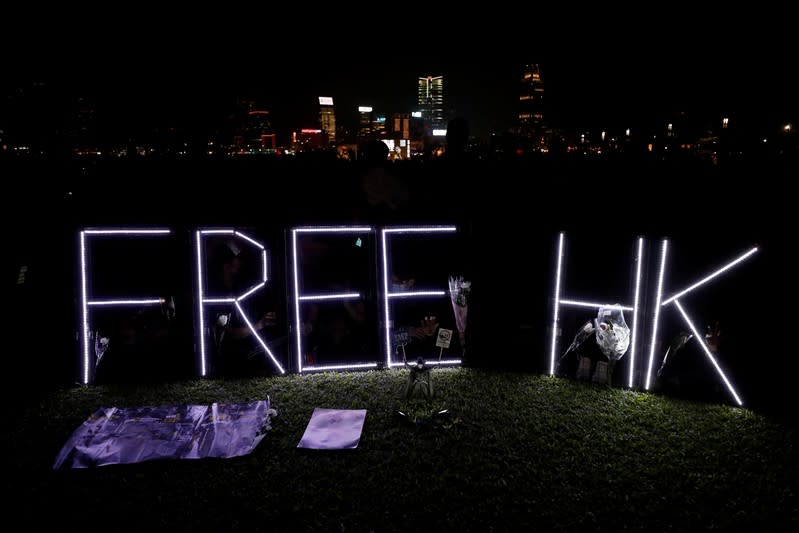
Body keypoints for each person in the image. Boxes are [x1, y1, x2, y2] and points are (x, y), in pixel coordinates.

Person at [207, 239, 279, 377]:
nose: (240, 263)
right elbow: (230, 333)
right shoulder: (217, 295)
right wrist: (259, 325)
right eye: (236, 260)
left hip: (245, 350)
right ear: (226, 266)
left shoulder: (239, 288)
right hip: (228, 360)